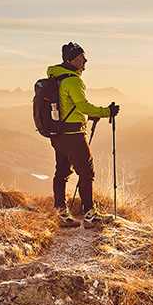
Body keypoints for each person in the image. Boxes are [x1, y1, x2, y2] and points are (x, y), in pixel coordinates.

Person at [47, 42, 120, 227]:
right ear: (72, 59)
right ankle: (90, 215)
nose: (85, 60)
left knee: (62, 172)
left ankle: (61, 213)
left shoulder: (58, 78)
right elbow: (83, 106)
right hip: (73, 134)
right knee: (87, 172)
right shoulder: (73, 80)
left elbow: (70, 107)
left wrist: (91, 114)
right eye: (82, 57)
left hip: (58, 134)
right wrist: (106, 111)